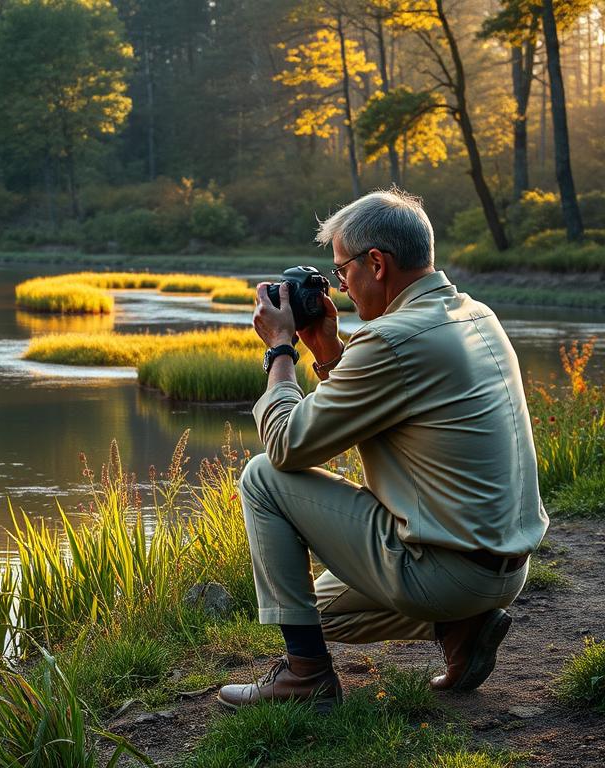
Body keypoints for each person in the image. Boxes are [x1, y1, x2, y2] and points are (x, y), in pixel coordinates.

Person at [217, 189, 548, 711]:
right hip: (503, 571)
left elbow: (286, 448)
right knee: (317, 613)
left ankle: (305, 677)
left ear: (376, 262)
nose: (339, 286)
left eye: (342, 270)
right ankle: (462, 628)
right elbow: (366, 417)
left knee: (262, 476)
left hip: (450, 571)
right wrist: (327, 349)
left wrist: (280, 351)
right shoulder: (474, 313)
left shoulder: (393, 339)